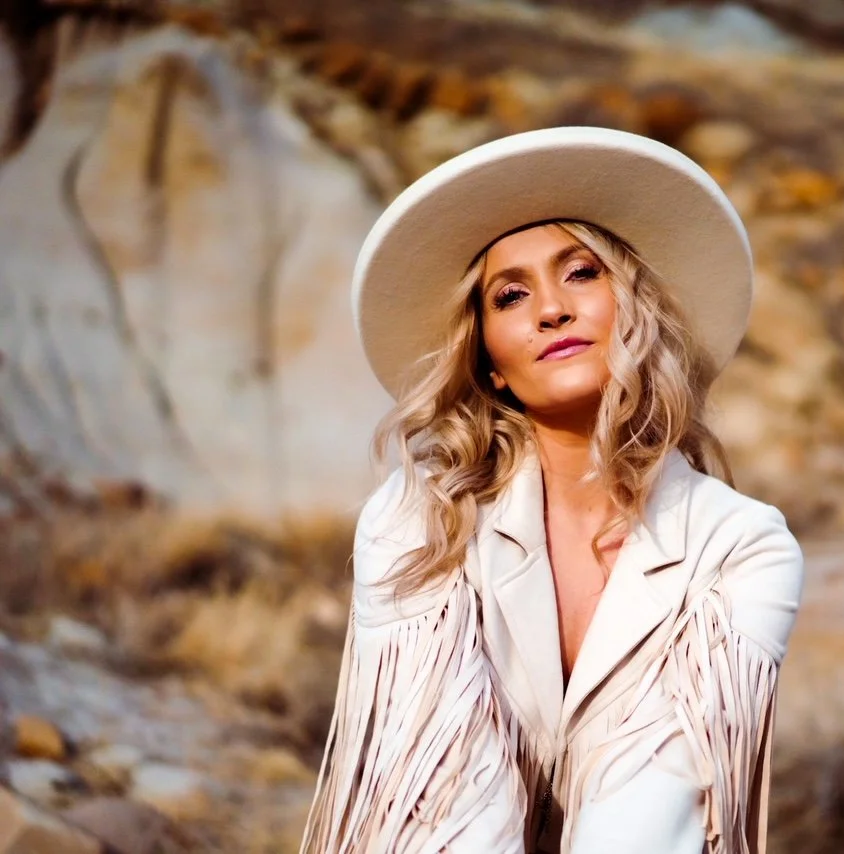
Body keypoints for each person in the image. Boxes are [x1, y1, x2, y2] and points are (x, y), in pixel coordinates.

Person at [300, 127, 805, 854]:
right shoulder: (420, 522)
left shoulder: (742, 550)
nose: (550, 310)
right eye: (510, 296)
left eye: (581, 273)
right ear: (490, 365)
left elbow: (656, 816)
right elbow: (439, 800)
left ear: (635, 309)